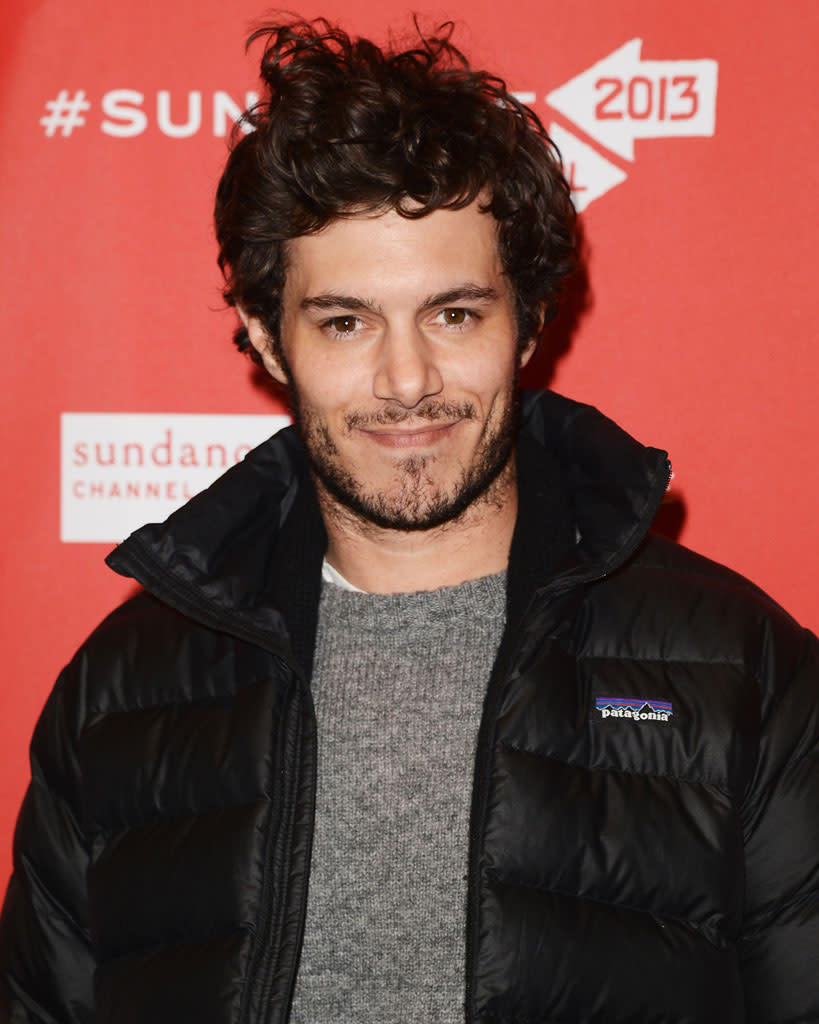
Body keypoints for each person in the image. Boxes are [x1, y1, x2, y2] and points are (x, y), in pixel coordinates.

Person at [1, 17, 817, 1024]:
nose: (407, 380)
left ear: (529, 321)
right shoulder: (121, 693)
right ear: (266, 335)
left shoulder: (741, 667)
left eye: (454, 314)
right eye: (346, 322)